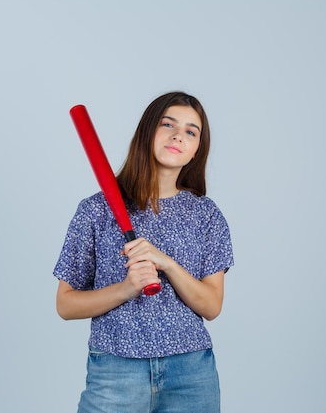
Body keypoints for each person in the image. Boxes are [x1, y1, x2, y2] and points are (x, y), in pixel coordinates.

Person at [53, 91, 234, 413]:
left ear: (196, 151)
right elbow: (66, 305)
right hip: (116, 369)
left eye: (191, 131)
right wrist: (126, 288)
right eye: (168, 124)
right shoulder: (96, 210)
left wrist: (166, 264)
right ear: (147, 131)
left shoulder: (206, 215)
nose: (179, 135)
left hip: (191, 371)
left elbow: (211, 306)